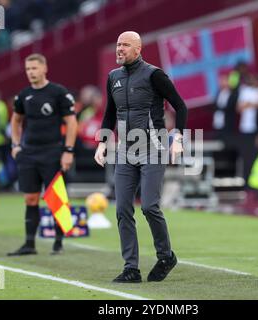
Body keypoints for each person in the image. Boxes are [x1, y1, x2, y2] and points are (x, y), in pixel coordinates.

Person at [94, 31, 187, 283]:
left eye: (125, 45)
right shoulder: (113, 77)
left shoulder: (154, 74)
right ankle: (131, 269)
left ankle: (166, 256)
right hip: (125, 150)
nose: (119, 49)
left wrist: (177, 138)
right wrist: (102, 143)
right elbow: (110, 114)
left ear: (138, 48)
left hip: (152, 148)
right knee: (122, 208)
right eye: (117, 44)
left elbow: (180, 105)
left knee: (148, 206)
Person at [7, 53, 78, 256]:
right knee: (30, 198)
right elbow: (16, 120)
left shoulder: (58, 92)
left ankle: (58, 242)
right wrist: (15, 144)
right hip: (29, 153)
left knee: (56, 198)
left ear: (44, 68)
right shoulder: (23, 95)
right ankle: (29, 244)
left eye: (34, 68)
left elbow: (71, 123)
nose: (31, 72)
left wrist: (68, 151)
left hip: (52, 152)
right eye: (28, 69)